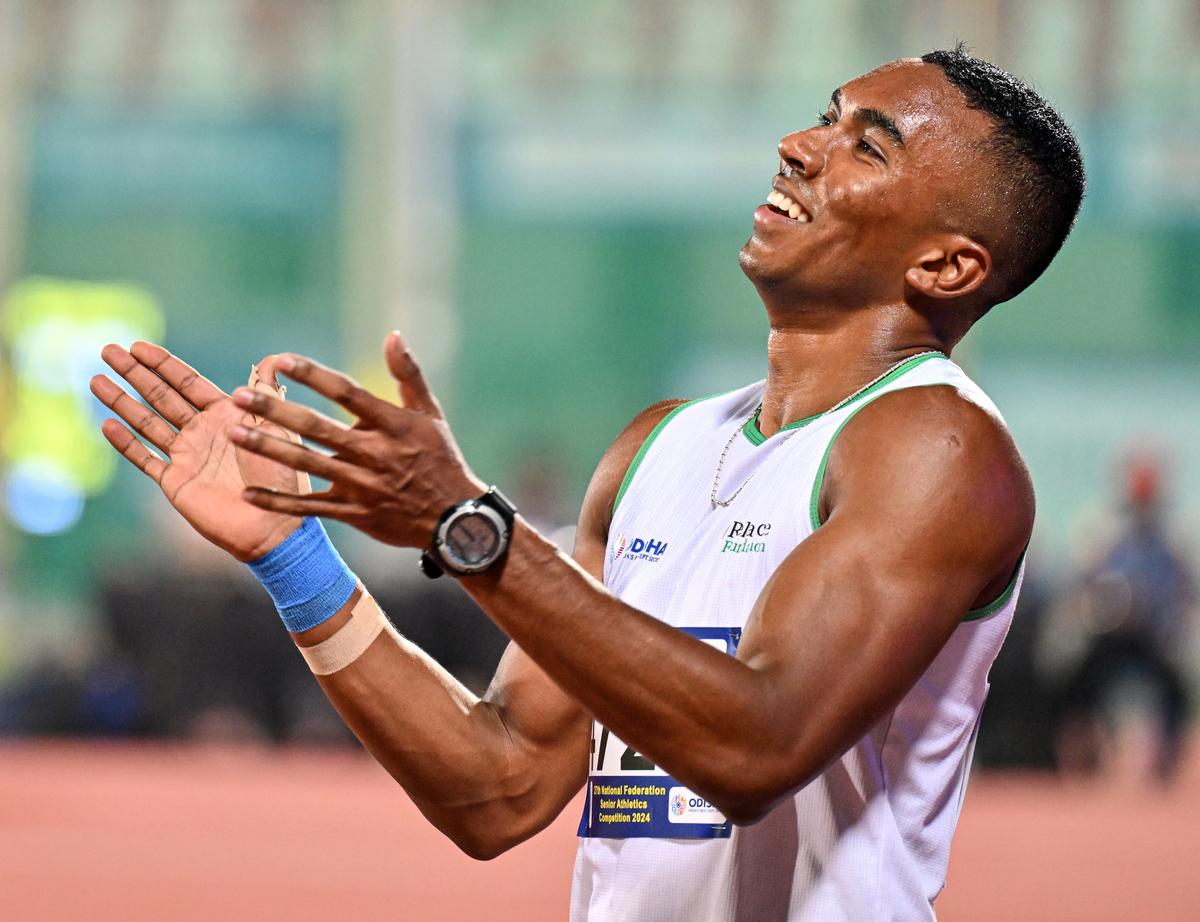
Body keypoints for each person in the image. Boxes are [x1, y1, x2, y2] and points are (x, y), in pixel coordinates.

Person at [90, 46, 1084, 921]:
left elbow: (756, 746)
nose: (797, 143)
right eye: (826, 115)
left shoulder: (939, 448)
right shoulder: (658, 447)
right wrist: (293, 558)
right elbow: (501, 787)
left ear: (950, 265)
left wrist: (468, 527)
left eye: (867, 145)